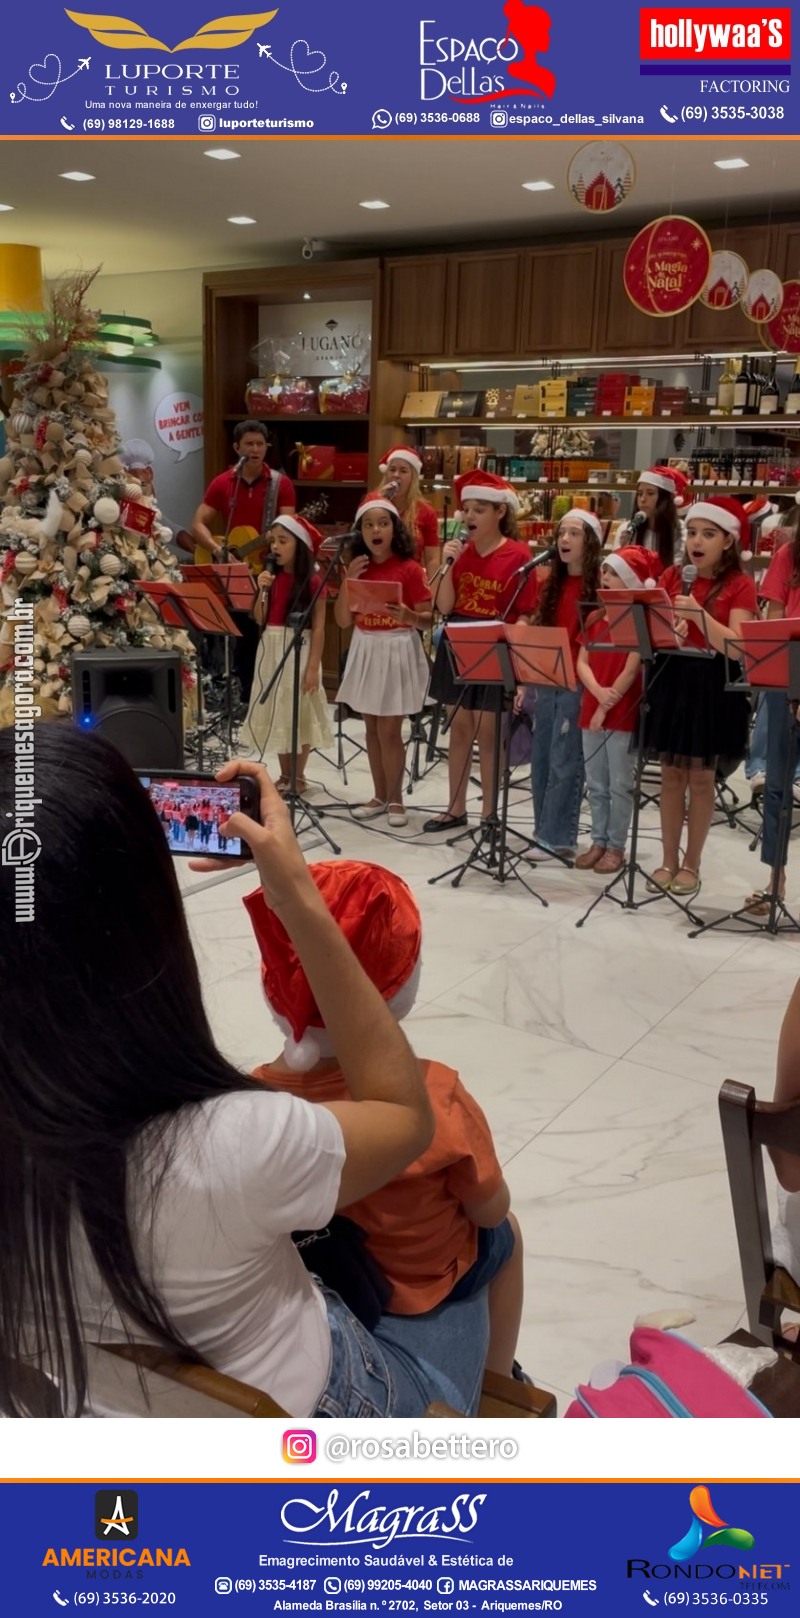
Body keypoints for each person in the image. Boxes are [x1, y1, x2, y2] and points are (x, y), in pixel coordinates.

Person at [0, 728, 495, 1419]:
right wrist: (295, 894)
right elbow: (406, 1116)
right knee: (492, 1242)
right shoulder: (230, 1140)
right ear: (142, 926)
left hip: (96, 1422)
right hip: (306, 1418)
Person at [246, 860, 524, 1378]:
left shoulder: (253, 1101)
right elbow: (487, 1212)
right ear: (401, 989)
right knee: (506, 1233)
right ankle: (502, 1382)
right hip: (418, 1288)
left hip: (319, 1276)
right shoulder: (436, 1096)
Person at [645, 496, 757, 899]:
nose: (697, 541)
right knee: (671, 774)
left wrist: (697, 617)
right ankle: (667, 859)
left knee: (702, 777)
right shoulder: (673, 576)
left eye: (708, 534)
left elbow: (739, 648)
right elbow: (654, 631)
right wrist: (665, 634)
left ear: (728, 541)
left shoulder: (740, 585)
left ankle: (692, 862)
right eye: (692, 532)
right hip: (674, 677)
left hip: (713, 684)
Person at [423, 470, 538, 834]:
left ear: (500, 512)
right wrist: (446, 564)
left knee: (489, 731)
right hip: (458, 637)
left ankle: (490, 812)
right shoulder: (462, 554)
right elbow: (444, 605)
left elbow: (526, 612)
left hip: (494, 642)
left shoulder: (518, 555)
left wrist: (512, 651)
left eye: (479, 510)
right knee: (459, 729)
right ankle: (455, 807)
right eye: (466, 510)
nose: (469, 517)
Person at [334, 493, 432, 828]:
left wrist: (408, 615)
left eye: (383, 523)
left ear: (395, 528)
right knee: (371, 729)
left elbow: (429, 618)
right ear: (360, 531)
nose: (376, 530)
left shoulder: (409, 569)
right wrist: (348, 580)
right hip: (366, 646)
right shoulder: (358, 568)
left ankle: (397, 800)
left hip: (397, 647)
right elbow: (343, 621)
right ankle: (379, 795)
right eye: (369, 524)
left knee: (391, 729)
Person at [191, 421, 296, 704]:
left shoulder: (280, 484)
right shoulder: (223, 483)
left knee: (259, 639)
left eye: (260, 444)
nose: (255, 449)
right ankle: (240, 699)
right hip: (234, 576)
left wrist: (276, 539)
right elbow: (198, 524)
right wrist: (217, 548)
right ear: (237, 448)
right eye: (249, 444)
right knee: (238, 641)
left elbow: (289, 527)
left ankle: (260, 702)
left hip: (268, 572)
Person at [524, 508, 603, 858]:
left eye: (575, 533)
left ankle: (559, 836)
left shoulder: (599, 587)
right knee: (541, 758)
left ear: (591, 543)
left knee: (565, 760)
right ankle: (543, 829)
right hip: (547, 679)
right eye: (561, 534)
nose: (565, 540)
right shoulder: (550, 585)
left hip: (577, 683)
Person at [574, 547, 655, 873]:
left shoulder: (636, 621)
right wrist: (596, 694)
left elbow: (631, 669)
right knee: (596, 783)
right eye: (604, 572)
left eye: (614, 573)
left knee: (620, 782)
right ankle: (598, 840)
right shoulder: (594, 617)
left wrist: (605, 705)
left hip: (621, 710)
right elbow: (582, 661)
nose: (604, 578)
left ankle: (616, 845)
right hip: (593, 705)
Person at [239, 514, 332, 794]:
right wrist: (261, 590)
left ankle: (299, 776)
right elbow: (259, 618)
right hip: (272, 646)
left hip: (299, 649)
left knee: (298, 712)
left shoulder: (313, 582)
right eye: (273, 541)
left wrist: (313, 667)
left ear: (299, 544)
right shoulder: (271, 578)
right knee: (279, 712)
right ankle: (284, 774)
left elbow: (318, 629)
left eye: (283, 541)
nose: (276, 547)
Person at [745, 494, 800, 914]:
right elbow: (776, 619)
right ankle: (774, 879)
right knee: (778, 785)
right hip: (790, 682)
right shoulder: (787, 554)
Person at [377, 445, 441, 581]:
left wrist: (434, 595)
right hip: (378, 580)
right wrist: (379, 500)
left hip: (411, 581)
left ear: (413, 477)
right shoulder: (374, 505)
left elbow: (432, 559)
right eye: (392, 470)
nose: (396, 475)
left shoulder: (426, 512)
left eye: (403, 471)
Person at [614, 466, 688, 569]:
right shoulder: (627, 529)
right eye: (640, 494)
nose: (643, 499)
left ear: (664, 499)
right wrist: (623, 551)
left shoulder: (680, 529)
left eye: (650, 493)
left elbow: (678, 567)